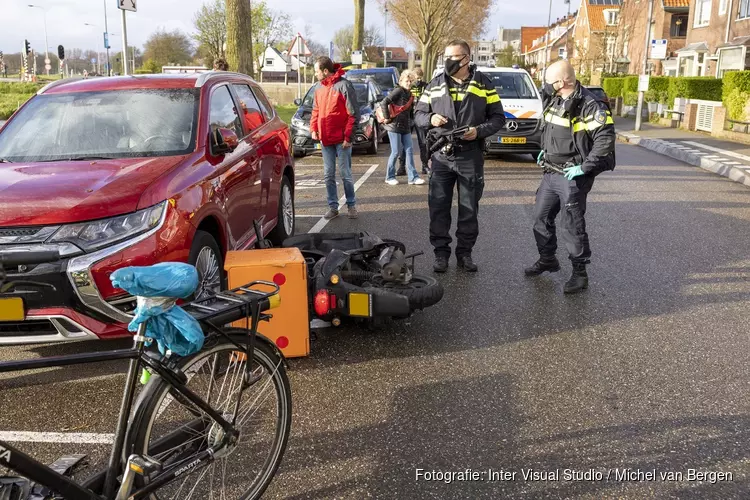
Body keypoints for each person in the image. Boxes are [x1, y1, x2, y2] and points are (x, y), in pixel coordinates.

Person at [524, 59, 616, 294]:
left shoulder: (590, 105)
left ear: (562, 81)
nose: (546, 86)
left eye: (549, 82)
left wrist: (584, 167)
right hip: (551, 171)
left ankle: (579, 274)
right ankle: (547, 259)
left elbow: (605, 140)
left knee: (571, 225)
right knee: (540, 218)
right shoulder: (555, 98)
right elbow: (552, 128)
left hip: (572, 175)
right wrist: (546, 149)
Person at [415, 39, 505, 273]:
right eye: (446, 56)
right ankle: (441, 254)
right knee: (438, 207)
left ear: (466, 58)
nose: (448, 61)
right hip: (442, 156)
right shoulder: (434, 84)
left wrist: (478, 131)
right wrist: (430, 119)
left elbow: (498, 118)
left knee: (468, 209)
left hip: (470, 156)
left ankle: (464, 254)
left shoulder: (484, 84)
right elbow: (419, 114)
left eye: (453, 57)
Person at [310, 56, 359, 219]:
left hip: (342, 140)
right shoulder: (318, 87)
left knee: (345, 173)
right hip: (326, 139)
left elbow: (353, 114)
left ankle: (351, 205)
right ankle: (333, 207)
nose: (315, 74)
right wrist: (314, 128)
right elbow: (316, 110)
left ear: (325, 71)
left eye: (317, 71)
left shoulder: (344, 86)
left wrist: (348, 137)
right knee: (328, 174)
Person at [381, 69, 424, 185]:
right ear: (401, 81)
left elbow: (409, 111)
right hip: (394, 126)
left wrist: (412, 123)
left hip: (405, 127)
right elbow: (384, 102)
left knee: (409, 151)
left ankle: (413, 177)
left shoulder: (410, 94)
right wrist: (387, 117)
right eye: (406, 81)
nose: (409, 83)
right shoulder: (398, 91)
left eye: (410, 81)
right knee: (395, 152)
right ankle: (389, 176)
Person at [410, 67, 430, 174]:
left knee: (423, 142)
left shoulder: (425, 86)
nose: (417, 80)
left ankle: (424, 165)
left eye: (419, 78)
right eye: (416, 78)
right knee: (405, 143)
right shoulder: (408, 86)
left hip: (420, 117)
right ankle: (403, 166)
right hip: (408, 117)